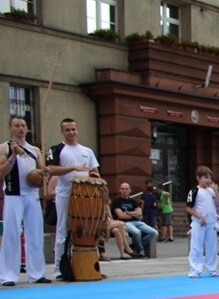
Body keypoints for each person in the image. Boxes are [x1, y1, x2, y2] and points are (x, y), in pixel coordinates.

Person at [46, 117, 101, 280]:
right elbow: (51, 169)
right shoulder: (57, 149)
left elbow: (95, 171)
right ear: (62, 132)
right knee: (62, 231)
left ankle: (88, 265)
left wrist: (94, 177)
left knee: (88, 230)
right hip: (65, 194)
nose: (71, 132)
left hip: (85, 196)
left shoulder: (87, 151)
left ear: (77, 130)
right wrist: (73, 168)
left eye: (73, 129)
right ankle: (59, 269)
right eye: (67, 130)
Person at [0, 116, 50, 286]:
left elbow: (42, 171)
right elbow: (1, 172)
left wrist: (45, 173)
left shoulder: (35, 150)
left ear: (27, 128)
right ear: (11, 128)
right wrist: (13, 156)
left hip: (32, 194)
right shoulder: (5, 147)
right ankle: (8, 275)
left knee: (35, 233)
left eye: (23, 125)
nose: (21, 128)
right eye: (17, 125)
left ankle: (36, 273)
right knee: (11, 233)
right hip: (14, 194)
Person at [185, 165, 219, 278]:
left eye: (210, 178)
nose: (208, 180)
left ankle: (212, 268)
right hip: (199, 223)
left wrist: (215, 190)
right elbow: (188, 207)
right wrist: (199, 216)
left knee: (211, 247)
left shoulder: (211, 191)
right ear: (198, 178)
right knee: (196, 247)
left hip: (211, 223)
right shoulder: (194, 191)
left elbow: (218, 204)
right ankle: (195, 270)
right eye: (205, 177)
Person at [111, 182, 158, 257]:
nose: (124, 190)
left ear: (130, 190)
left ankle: (133, 246)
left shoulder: (133, 201)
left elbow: (139, 213)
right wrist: (133, 214)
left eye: (126, 189)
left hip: (137, 222)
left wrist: (127, 212)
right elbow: (120, 216)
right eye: (122, 189)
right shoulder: (117, 201)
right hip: (125, 223)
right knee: (137, 232)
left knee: (154, 233)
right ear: (119, 190)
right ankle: (140, 250)